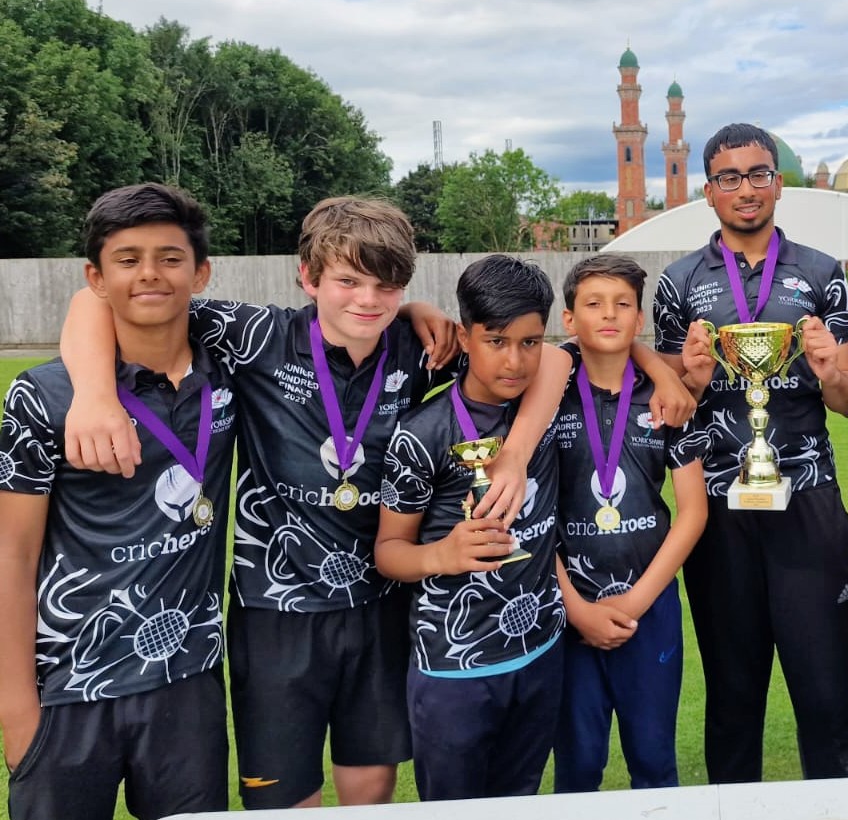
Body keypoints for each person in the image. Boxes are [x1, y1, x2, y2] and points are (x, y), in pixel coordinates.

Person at [56, 196, 554, 809]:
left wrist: (516, 450)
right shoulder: (256, 337)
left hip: (381, 602)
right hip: (276, 611)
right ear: (308, 275)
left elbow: (550, 356)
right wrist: (95, 395)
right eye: (347, 281)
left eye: (386, 285)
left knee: (370, 787)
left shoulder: (420, 347)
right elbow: (95, 299)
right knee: (284, 798)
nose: (366, 300)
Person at [0, 184, 236, 820]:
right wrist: (17, 710)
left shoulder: (231, 372)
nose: (150, 274)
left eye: (169, 257)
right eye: (127, 260)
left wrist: (412, 313)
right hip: (68, 690)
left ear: (201, 271)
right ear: (95, 278)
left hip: (185, 685)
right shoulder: (43, 397)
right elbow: (11, 556)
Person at [653, 121, 848, 782]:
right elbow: (667, 410)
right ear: (708, 191)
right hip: (717, 510)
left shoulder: (822, 273)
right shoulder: (679, 281)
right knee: (733, 696)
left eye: (758, 174)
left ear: (777, 182)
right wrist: (686, 378)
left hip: (806, 498)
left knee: (826, 694)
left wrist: (833, 372)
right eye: (729, 177)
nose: (746, 189)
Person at [375, 254, 565, 802]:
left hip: (540, 650)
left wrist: (518, 453)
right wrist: (443, 556)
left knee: (520, 798)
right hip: (454, 669)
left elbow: (558, 360)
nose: (515, 361)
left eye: (529, 342)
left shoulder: (542, 403)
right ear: (464, 335)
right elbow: (389, 552)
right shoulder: (422, 433)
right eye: (496, 341)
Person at [552, 254, 709, 793]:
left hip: (650, 607)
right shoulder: (546, 394)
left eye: (623, 305)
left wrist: (639, 599)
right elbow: (530, 514)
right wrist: (575, 607)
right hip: (567, 609)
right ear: (569, 320)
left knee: (654, 761)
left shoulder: (667, 399)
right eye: (593, 304)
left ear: (640, 320)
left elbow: (693, 511)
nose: (609, 315)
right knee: (577, 766)